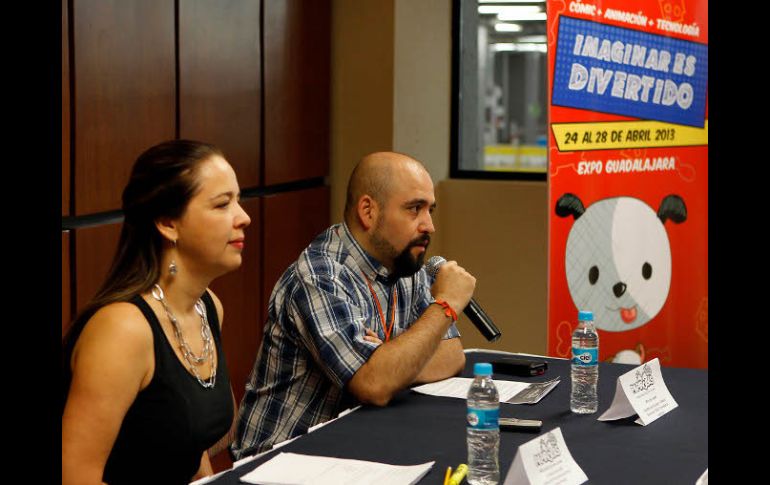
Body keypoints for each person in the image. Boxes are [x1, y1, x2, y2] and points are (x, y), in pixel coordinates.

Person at [231, 151, 474, 458]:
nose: (429, 226)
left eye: (430, 210)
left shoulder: (404, 264)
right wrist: (445, 305)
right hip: (278, 460)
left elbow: (452, 356)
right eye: (414, 209)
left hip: (352, 448)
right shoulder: (319, 276)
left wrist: (389, 358)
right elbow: (374, 384)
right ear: (368, 211)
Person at [61, 140, 251, 484]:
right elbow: (75, 477)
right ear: (168, 224)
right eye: (223, 204)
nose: (244, 217)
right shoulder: (122, 329)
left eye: (239, 200)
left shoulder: (209, 307)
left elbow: (192, 451)